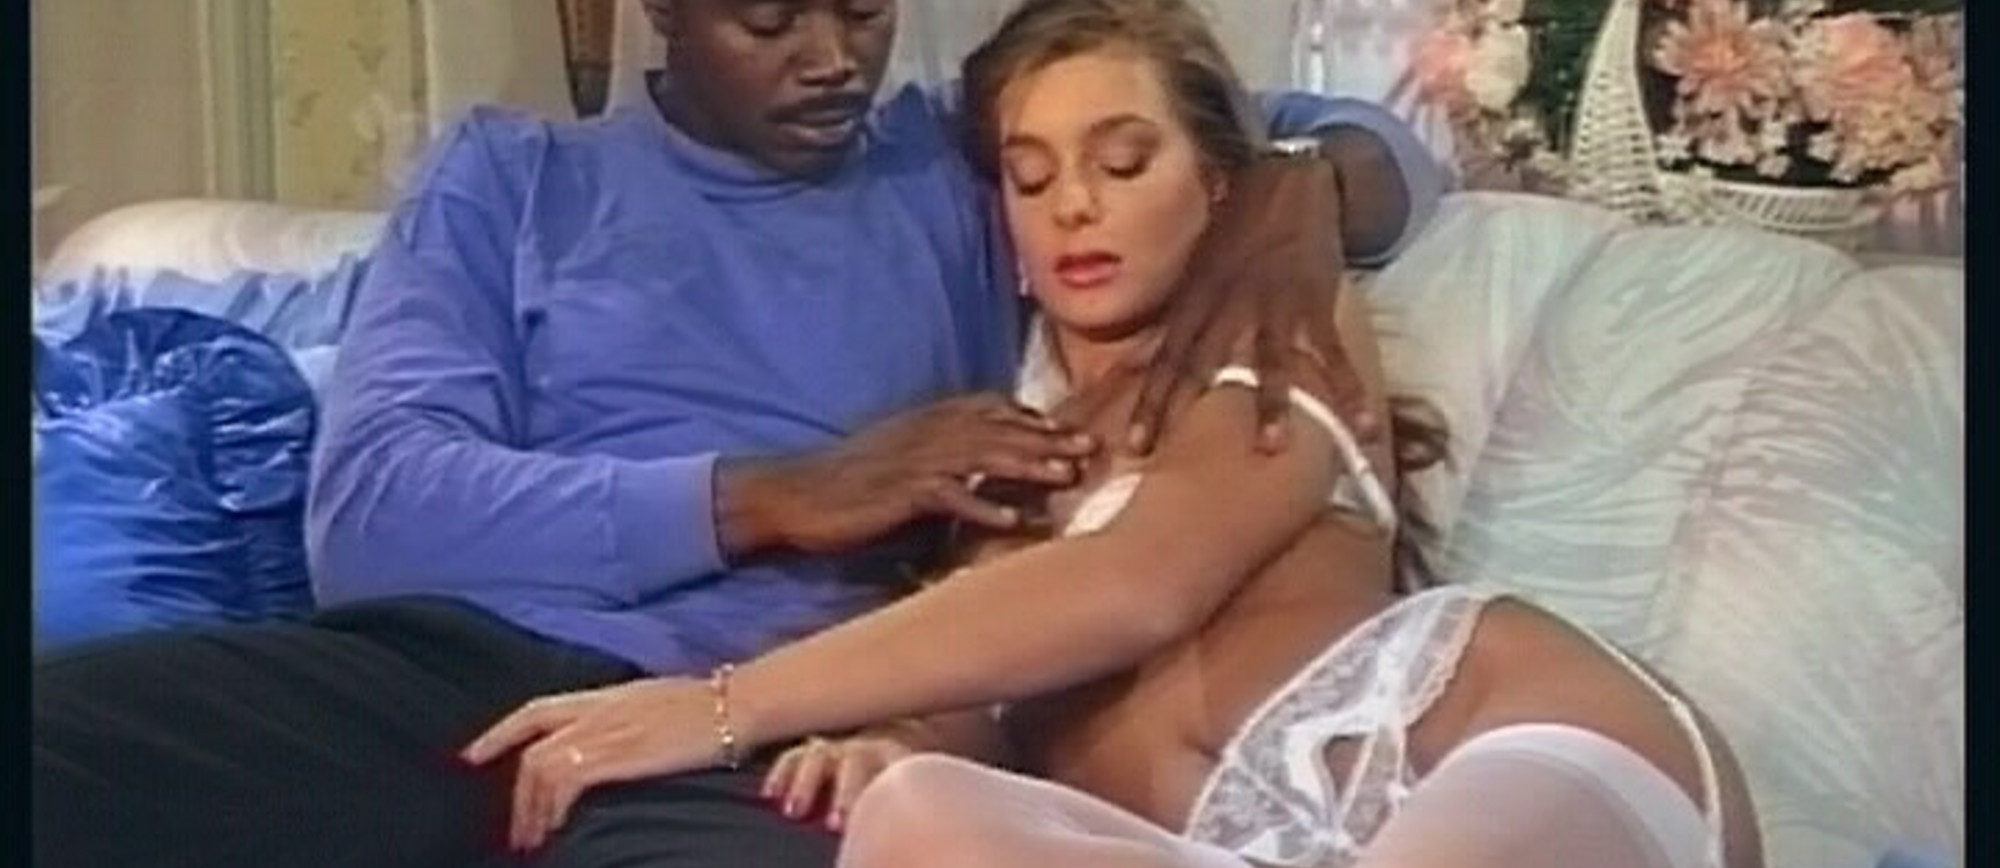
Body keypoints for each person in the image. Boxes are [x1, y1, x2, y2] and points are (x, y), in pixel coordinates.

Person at [30, 1, 1443, 867]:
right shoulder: (514, 178)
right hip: (448, 672)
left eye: (864, 11)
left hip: (770, 720)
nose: (831, 60)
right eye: (770, 22)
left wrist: (1299, 195)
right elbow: (373, 518)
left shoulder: (956, 163)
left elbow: (1328, 143)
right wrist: (769, 496)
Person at [463, 2, 1766, 867]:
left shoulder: (1272, 318)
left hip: (1486, 745)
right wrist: (897, 738)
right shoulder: (1007, 450)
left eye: (1124, 161)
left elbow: (1141, 582)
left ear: (1219, 183)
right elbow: (986, 690)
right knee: (914, 818)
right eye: (1031, 178)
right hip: (1221, 844)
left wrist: (721, 704)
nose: (1074, 207)